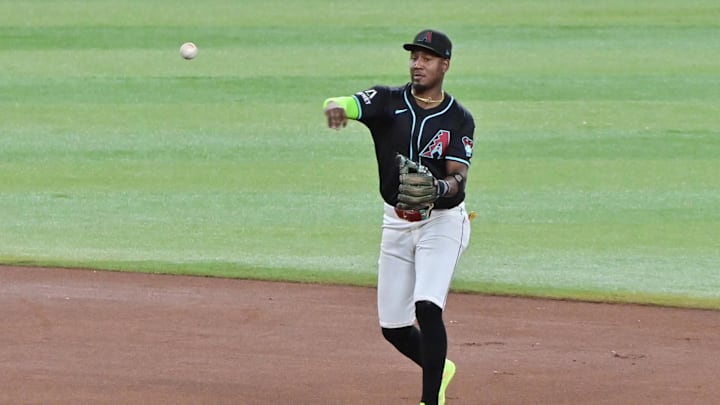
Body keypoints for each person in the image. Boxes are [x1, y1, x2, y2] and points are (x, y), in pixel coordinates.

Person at [322, 29, 475, 405]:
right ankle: (440, 367)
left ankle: (430, 399)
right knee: (393, 327)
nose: (417, 64)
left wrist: (438, 189)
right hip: (396, 221)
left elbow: (458, 177)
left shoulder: (459, 119)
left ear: (445, 65)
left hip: (442, 223)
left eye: (426, 58)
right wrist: (335, 107)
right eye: (413, 57)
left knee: (427, 305)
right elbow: (345, 101)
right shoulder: (387, 101)